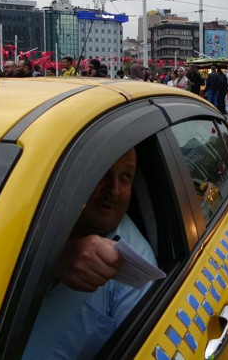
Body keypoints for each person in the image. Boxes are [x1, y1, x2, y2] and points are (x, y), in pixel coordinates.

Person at [24, 148, 156, 359]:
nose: (113, 190)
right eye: (102, 171)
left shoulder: (136, 262)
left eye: (125, 177)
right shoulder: (24, 219)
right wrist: (52, 260)